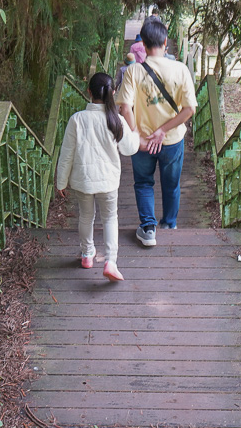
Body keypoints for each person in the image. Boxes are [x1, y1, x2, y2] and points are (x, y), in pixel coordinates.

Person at [116, 20, 197, 247]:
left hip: (142, 143)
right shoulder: (180, 69)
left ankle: (148, 228)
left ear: (142, 43)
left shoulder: (133, 71)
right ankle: (169, 225)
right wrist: (163, 131)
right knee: (171, 184)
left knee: (143, 183)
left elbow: (124, 107)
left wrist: (136, 137)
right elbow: (189, 109)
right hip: (171, 141)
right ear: (164, 42)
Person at [56, 73, 140, 281]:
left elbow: (66, 154)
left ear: (89, 92)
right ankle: (111, 261)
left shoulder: (77, 119)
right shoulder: (116, 120)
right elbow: (129, 149)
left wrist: (61, 181)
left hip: (83, 180)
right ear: (113, 93)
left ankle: (87, 254)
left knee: (86, 217)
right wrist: (135, 131)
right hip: (108, 180)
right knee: (110, 218)